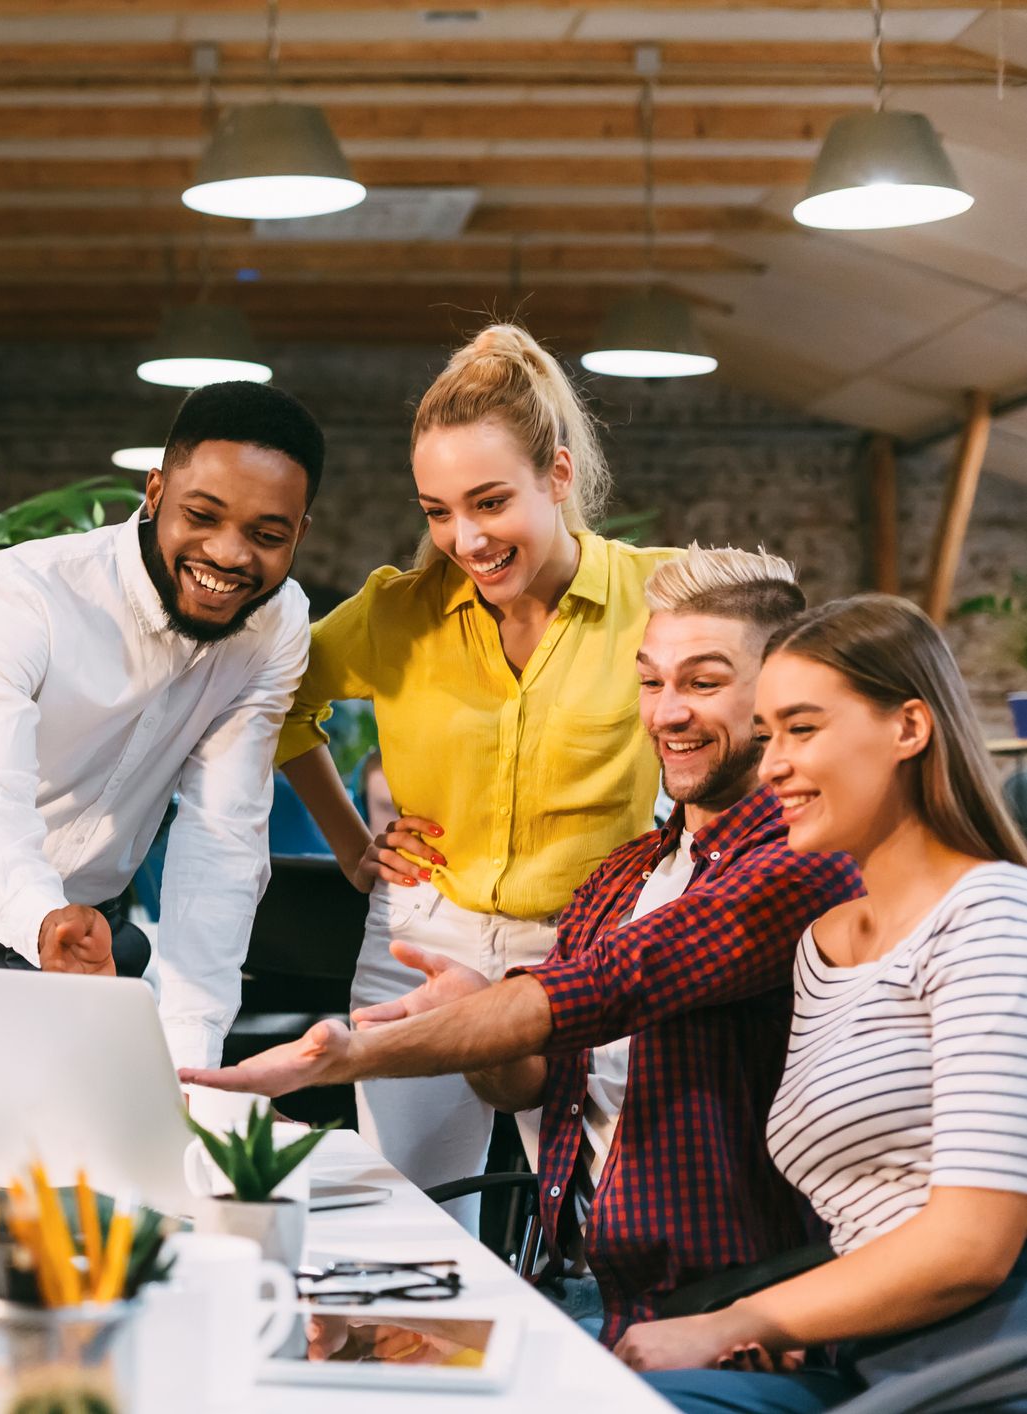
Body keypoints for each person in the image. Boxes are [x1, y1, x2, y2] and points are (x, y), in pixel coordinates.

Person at [181, 548, 863, 1341]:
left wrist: (352, 1056)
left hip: (722, 1317)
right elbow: (530, 1085)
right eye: (650, 681)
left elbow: (607, 986)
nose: (666, 713)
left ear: (780, 697)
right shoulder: (626, 875)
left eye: (702, 683)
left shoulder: (798, 860)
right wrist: (475, 1021)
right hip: (572, 1290)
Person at [0, 380, 320, 1121]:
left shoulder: (274, 628)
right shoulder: (19, 594)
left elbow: (220, 841)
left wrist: (190, 1061)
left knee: (97, 1195)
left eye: (266, 535)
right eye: (202, 515)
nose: (228, 554)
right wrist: (41, 921)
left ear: (298, 535)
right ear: (155, 491)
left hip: (85, 954)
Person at [271, 323, 684, 1211]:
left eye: (489, 503)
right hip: (425, 938)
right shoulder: (397, 613)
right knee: (408, 1216)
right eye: (437, 510)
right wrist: (351, 844)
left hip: (591, 950)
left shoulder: (660, 601)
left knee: (617, 1223)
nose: (464, 537)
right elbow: (275, 701)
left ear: (558, 478)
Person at [614, 596, 1027, 1413]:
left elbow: (970, 1247)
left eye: (801, 731)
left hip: (976, 1368)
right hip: (869, 1359)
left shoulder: (990, 916)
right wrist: (797, 1318)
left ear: (909, 728)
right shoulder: (825, 945)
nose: (769, 767)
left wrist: (741, 1319)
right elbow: (875, 1216)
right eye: (767, 736)